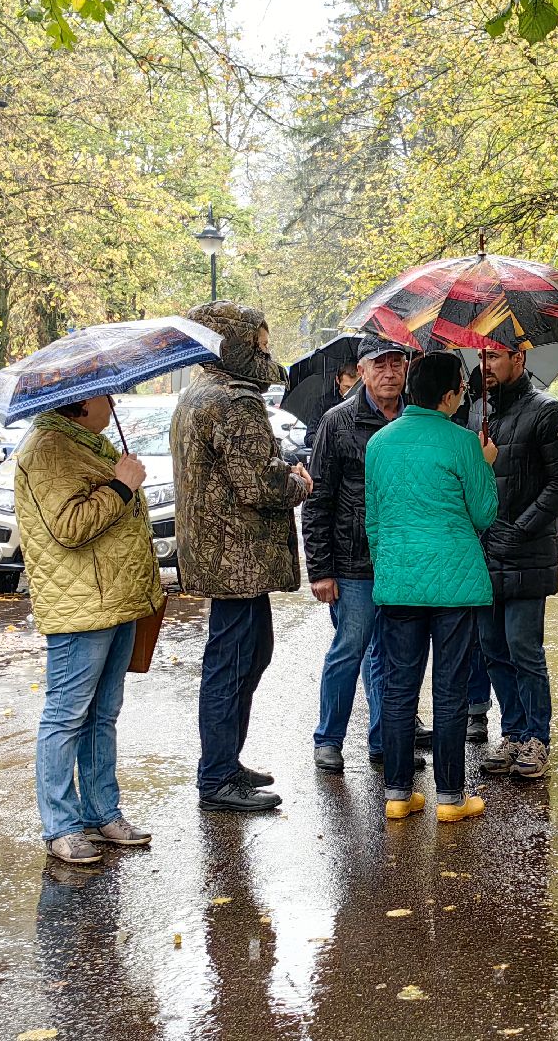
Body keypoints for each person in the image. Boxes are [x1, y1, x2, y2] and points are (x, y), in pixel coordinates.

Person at [172, 300, 313, 812]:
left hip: (226, 558)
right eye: (259, 341)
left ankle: (225, 762)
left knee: (249, 654)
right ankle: (216, 777)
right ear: (232, 342)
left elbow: (234, 471)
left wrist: (279, 465)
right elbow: (257, 484)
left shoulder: (199, 395)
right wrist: (297, 482)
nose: (266, 351)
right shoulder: (234, 401)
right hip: (237, 561)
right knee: (233, 662)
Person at [15, 394, 163, 864]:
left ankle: (102, 811)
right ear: (79, 403)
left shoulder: (86, 442)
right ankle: (60, 825)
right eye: (105, 395)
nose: (113, 400)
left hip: (114, 600)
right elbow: (70, 526)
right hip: (82, 605)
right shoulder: (48, 448)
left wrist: (124, 477)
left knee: (103, 713)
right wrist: (121, 486)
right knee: (66, 715)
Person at [364, 352, 499, 821]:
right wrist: (484, 464)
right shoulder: (463, 442)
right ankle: (450, 799)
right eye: (461, 386)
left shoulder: (379, 443)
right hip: (454, 586)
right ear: (448, 396)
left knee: (399, 688)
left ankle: (398, 795)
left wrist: (390, 567)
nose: (464, 392)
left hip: (398, 582)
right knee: (450, 689)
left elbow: (374, 521)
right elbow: (484, 514)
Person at [302, 334, 428, 773]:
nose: (389, 373)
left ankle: (384, 742)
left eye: (396, 363)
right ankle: (328, 739)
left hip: (400, 560)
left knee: (392, 654)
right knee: (349, 649)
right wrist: (320, 569)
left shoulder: (417, 418)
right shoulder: (337, 423)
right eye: (379, 365)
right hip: (352, 561)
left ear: (407, 367)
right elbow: (318, 500)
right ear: (361, 371)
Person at [476, 347, 558, 780]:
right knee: (493, 649)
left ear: (519, 358)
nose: (487, 367)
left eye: (496, 357)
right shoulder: (476, 417)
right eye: (482, 359)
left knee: (523, 646)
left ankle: (537, 737)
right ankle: (513, 732)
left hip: (526, 550)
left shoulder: (547, 411)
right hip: (482, 553)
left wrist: (520, 528)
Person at [308, 362, 359, 428]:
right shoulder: (324, 403)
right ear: (338, 380)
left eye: (355, 387)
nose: (351, 391)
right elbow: (311, 434)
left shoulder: (366, 401)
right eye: (346, 387)